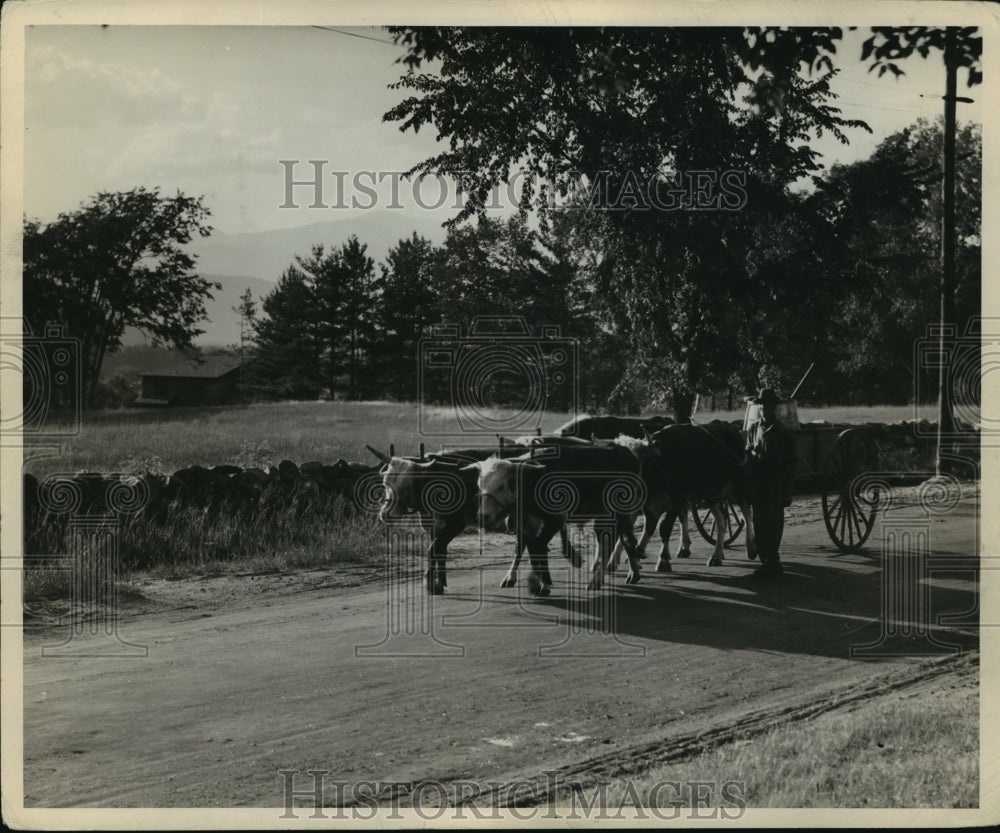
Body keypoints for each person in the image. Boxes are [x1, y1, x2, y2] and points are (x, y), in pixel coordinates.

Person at [745, 388, 797, 578]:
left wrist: (788, 491)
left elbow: (792, 465)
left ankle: (773, 562)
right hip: (758, 485)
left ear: (774, 407)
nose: (765, 409)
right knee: (759, 522)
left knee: (773, 522)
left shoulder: (784, 433)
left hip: (775, 484)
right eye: (762, 406)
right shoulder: (753, 429)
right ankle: (765, 560)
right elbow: (747, 454)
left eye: (768, 406)